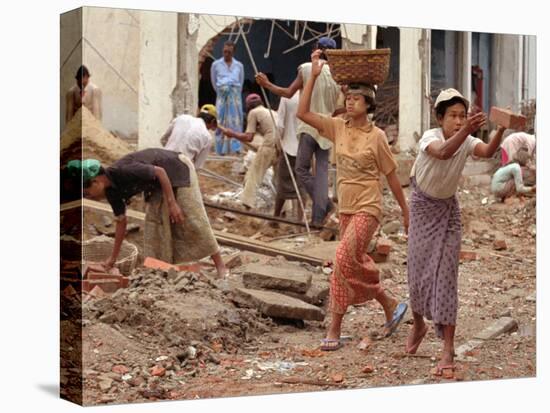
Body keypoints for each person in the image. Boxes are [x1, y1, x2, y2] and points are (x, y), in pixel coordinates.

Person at [297, 49, 410, 351]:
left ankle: (334, 327)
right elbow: (302, 113)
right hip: (345, 206)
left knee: (342, 260)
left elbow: (391, 176)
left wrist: (405, 211)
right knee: (351, 262)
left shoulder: (377, 137)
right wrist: (315, 76)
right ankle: (388, 301)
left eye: (356, 99)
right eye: (348, 98)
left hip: (369, 207)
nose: (349, 102)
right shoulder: (338, 127)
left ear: (368, 104)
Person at [405, 88, 509, 377]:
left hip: (448, 211)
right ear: (440, 118)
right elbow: (443, 152)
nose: (458, 120)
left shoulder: (467, 139)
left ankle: (448, 348)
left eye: (462, 115)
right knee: (416, 274)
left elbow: (487, 152)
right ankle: (419, 324)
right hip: (423, 209)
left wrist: (499, 129)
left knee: (447, 277)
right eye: (452, 115)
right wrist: (466, 130)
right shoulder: (431, 138)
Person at [67, 149, 228, 278]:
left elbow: (160, 172)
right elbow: (121, 223)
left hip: (177, 169)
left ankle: (221, 266)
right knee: (155, 226)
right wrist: (112, 259)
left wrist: (172, 203)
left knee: (192, 218)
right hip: (157, 185)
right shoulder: (111, 192)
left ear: (96, 181)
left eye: (87, 193)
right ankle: (165, 271)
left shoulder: (123, 170)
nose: (90, 197)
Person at [256, 37, 343, 228]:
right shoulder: (338, 75)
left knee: (301, 170)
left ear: (316, 49)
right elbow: (339, 108)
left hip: (308, 126)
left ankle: (326, 205)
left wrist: (267, 85)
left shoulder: (306, 68)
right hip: (327, 127)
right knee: (321, 174)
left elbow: (288, 93)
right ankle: (318, 219)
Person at [220, 94, 279, 209]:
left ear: (248, 106)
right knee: (279, 179)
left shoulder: (253, 113)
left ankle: (246, 204)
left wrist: (231, 134)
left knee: (254, 174)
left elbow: (248, 137)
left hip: (269, 145)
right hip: (281, 148)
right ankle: (284, 209)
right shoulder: (272, 112)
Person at [274, 91, 305, 220]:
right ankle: (300, 221)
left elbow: (279, 125)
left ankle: (275, 218)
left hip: (288, 146)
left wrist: (277, 145)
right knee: (302, 186)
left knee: (282, 185)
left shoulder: (287, 97)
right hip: (305, 148)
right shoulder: (312, 96)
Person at [210, 41, 244, 155]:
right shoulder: (216, 64)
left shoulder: (239, 65)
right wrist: (222, 92)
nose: (226, 54)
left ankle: (236, 148)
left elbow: (241, 81)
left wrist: (234, 93)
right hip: (222, 95)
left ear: (233, 52)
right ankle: (220, 150)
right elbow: (214, 81)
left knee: (235, 121)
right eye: (225, 51)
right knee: (220, 120)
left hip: (235, 96)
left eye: (229, 52)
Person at [160, 104, 218, 170]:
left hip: (162, 158)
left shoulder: (182, 117)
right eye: (212, 126)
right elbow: (197, 167)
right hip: (179, 168)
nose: (210, 129)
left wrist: (171, 148)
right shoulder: (207, 137)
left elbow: (163, 139)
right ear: (212, 121)